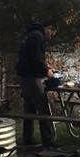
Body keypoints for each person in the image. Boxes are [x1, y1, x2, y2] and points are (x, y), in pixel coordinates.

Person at [15, 20, 57, 148]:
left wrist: (45, 65)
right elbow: (35, 60)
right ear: (48, 28)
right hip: (31, 77)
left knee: (29, 108)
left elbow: (32, 57)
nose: (51, 36)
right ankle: (48, 142)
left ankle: (28, 139)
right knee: (43, 108)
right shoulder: (38, 37)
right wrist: (46, 71)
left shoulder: (30, 35)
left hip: (23, 76)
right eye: (52, 32)